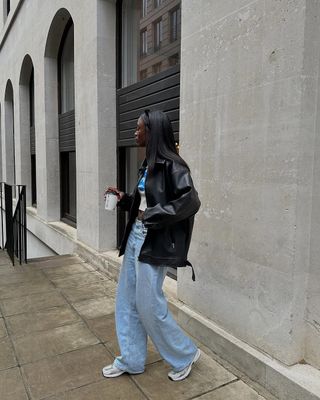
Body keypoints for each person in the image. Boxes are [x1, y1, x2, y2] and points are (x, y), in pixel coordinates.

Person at [102, 109, 201, 381]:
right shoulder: (148, 165)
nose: (135, 133)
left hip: (153, 240)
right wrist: (123, 199)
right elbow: (144, 202)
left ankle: (184, 354)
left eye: (138, 129)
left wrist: (153, 216)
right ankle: (131, 360)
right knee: (127, 301)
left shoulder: (175, 166)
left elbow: (190, 201)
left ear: (152, 131)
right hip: (136, 235)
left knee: (148, 305)